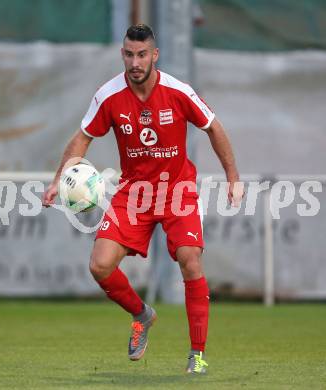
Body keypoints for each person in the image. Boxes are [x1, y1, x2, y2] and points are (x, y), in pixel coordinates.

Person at [42, 24, 242, 374]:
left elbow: (213, 126)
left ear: (155, 55)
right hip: (134, 192)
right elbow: (82, 138)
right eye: (129, 54)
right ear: (123, 54)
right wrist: (59, 180)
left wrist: (233, 178)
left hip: (177, 189)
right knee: (99, 265)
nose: (135, 62)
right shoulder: (109, 95)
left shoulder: (177, 91)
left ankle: (197, 354)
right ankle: (142, 315)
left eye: (142, 54)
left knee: (190, 259)